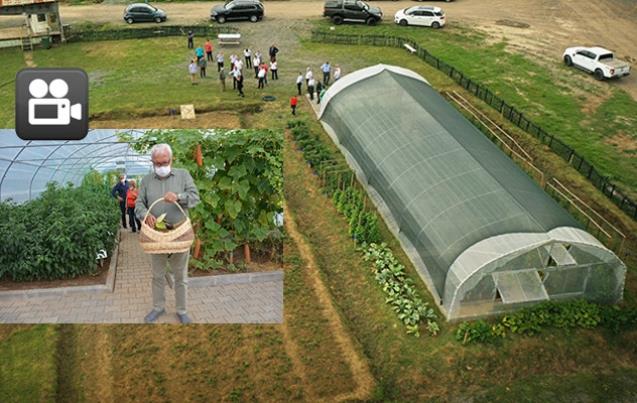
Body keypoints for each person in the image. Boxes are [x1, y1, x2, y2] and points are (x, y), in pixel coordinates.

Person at [136, 144, 200, 324]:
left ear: (171, 160)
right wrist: (144, 215)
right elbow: (139, 203)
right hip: (156, 235)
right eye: (157, 164)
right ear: (152, 163)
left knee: (180, 276)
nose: (161, 166)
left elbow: (195, 197)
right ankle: (158, 307)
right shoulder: (146, 180)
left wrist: (179, 197)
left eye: (165, 162)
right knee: (157, 275)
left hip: (179, 232)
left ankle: (182, 310)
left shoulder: (183, 175)